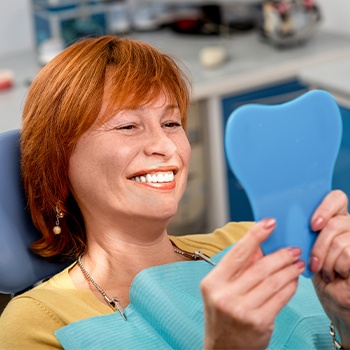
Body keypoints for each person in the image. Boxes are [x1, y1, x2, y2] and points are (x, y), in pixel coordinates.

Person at [0, 35, 349, 349]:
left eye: (171, 123)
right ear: (59, 162)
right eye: (128, 126)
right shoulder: (39, 323)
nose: (165, 145)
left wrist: (343, 316)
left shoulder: (254, 243)